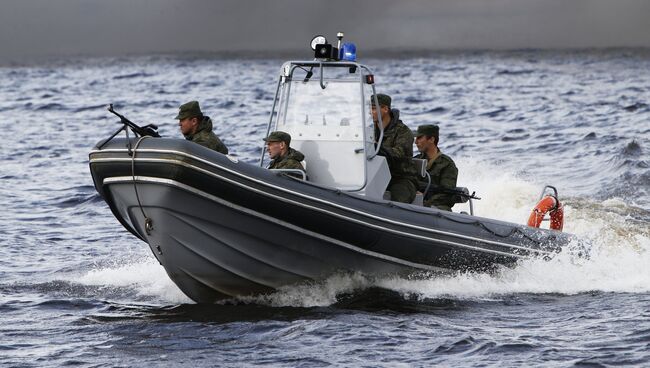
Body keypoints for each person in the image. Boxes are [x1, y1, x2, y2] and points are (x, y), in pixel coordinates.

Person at [371, 94, 419, 203]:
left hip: (401, 177)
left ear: (385, 109)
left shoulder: (403, 132)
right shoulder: (370, 131)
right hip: (377, 175)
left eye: (374, 108)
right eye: (370, 108)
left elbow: (398, 154)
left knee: (400, 196)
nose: (370, 112)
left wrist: (377, 147)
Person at [413, 124, 458, 211]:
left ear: (431, 139)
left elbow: (447, 195)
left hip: (436, 207)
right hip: (416, 202)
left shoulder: (447, 164)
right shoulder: (416, 160)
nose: (416, 142)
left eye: (419, 138)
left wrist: (424, 202)